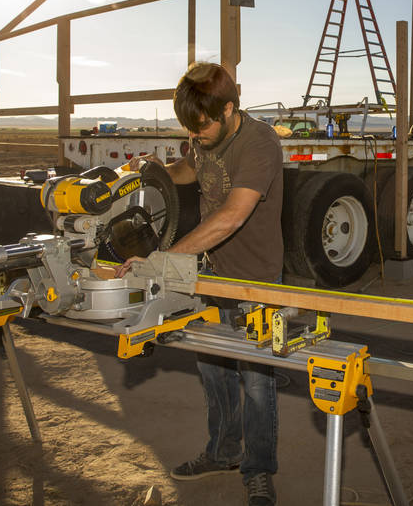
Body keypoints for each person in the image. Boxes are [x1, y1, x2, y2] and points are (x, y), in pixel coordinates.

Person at [117, 62, 283, 506]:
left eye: (202, 126)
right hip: (211, 273)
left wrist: (163, 261)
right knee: (214, 373)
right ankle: (222, 452)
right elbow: (192, 170)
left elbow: (232, 215)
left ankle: (259, 470)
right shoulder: (202, 134)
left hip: (257, 280)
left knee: (256, 384)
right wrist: (159, 170)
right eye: (188, 127)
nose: (195, 135)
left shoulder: (260, 143)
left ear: (229, 109)